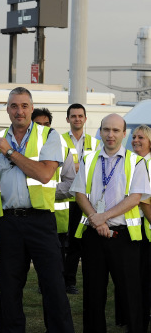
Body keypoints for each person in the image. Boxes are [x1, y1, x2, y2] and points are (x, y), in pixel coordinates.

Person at [0, 87, 77, 333]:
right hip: (7, 223)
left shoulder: (48, 136)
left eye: (25, 105)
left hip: (40, 222)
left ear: (31, 108)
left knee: (54, 287)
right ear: (7, 109)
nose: (20, 111)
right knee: (9, 289)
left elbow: (43, 174)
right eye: (14, 106)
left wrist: (11, 153)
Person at [71, 114, 149, 333]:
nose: (111, 135)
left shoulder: (136, 162)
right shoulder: (89, 157)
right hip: (95, 235)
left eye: (116, 130)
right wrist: (96, 219)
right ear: (100, 131)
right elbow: (80, 193)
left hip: (123, 237)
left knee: (130, 295)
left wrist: (103, 216)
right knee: (93, 291)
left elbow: (135, 197)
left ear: (124, 134)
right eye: (106, 129)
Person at [62, 104, 101, 295]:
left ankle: (70, 282)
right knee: (61, 243)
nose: (77, 119)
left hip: (84, 200)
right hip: (62, 200)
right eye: (73, 116)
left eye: (80, 116)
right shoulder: (59, 141)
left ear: (85, 119)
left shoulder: (96, 143)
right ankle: (55, 279)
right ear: (67, 119)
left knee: (78, 242)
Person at [131, 125, 151, 333]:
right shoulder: (132, 162)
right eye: (134, 137)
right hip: (135, 235)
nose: (136, 140)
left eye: (141, 137)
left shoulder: (146, 165)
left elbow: (144, 202)